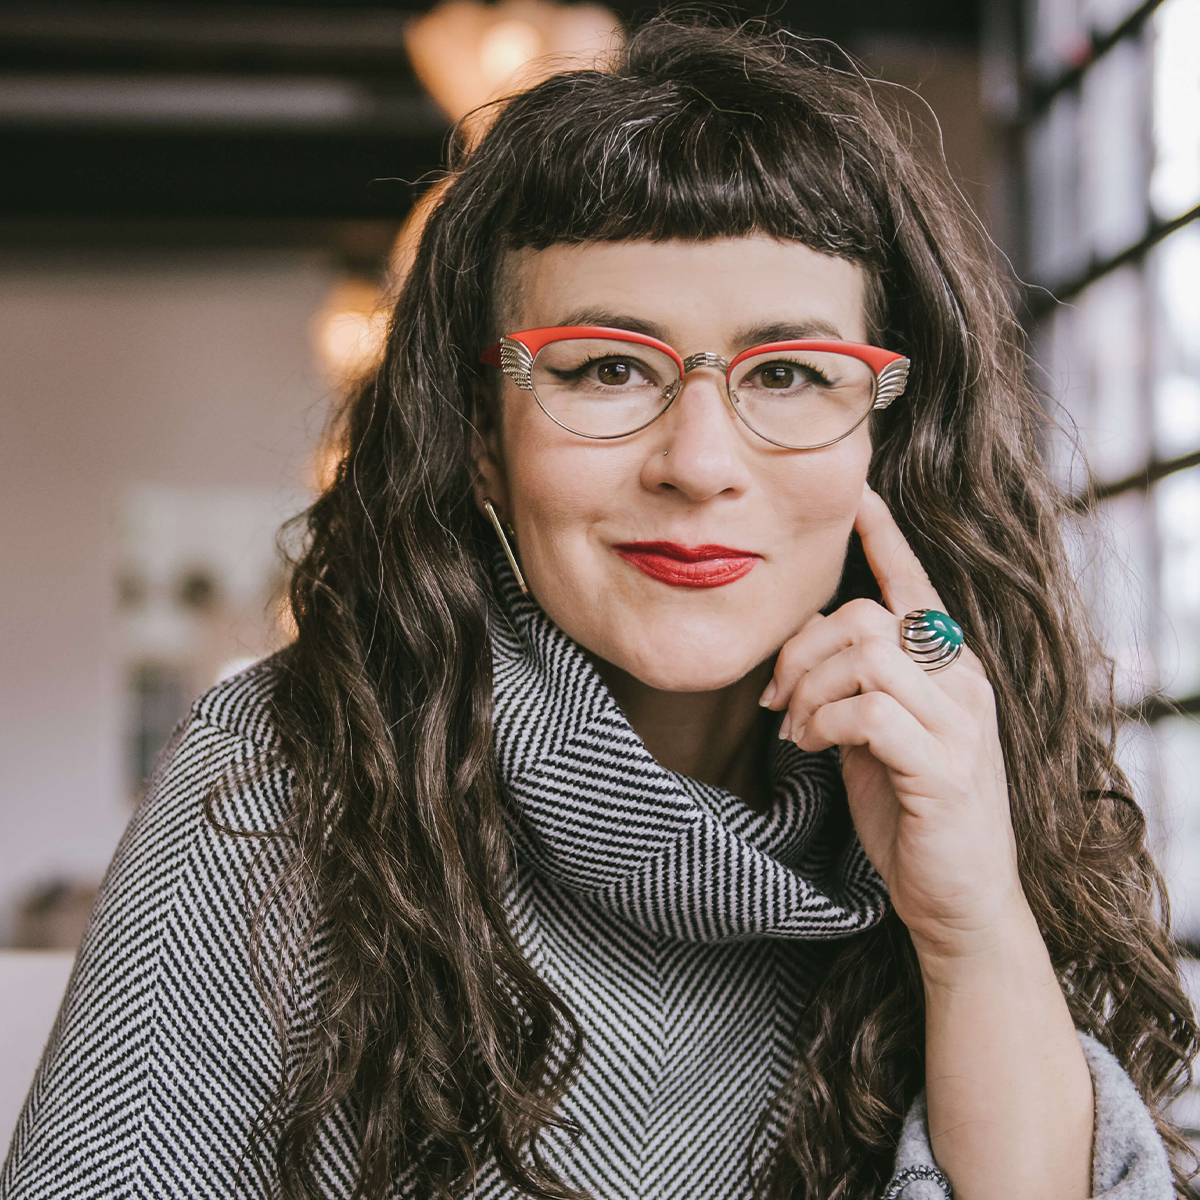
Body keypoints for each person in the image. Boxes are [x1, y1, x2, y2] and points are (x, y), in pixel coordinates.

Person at [3, 18, 1196, 1200]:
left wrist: (975, 917)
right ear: (482, 440)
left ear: (885, 443)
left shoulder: (974, 776)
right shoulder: (288, 764)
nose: (698, 462)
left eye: (788, 374)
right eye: (607, 367)